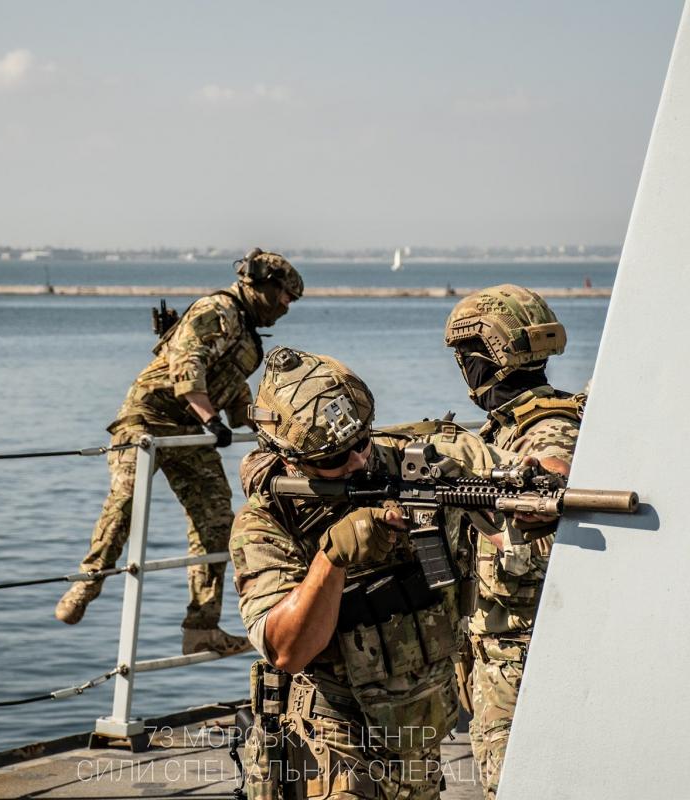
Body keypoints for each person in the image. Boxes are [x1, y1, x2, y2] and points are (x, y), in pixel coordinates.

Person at [231, 347, 535, 799]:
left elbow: (511, 472)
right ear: (290, 459)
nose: (357, 462)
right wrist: (332, 558)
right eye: (333, 459)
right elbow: (287, 650)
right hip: (334, 740)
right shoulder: (267, 521)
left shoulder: (412, 460)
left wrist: (534, 485)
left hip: (418, 732)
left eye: (362, 442)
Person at [55, 248, 304, 659]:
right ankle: (88, 582)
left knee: (217, 521)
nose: (286, 307)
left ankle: (201, 628)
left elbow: (237, 400)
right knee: (126, 501)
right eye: (284, 297)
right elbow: (188, 366)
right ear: (263, 286)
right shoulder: (217, 311)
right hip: (146, 419)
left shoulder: (246, 333)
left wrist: (279, 430)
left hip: (189, 430)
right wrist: (211, 420)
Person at [443, 284, 583, 799]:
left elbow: (553, 472)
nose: (465, 367)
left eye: (467, 355)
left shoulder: (547, 426)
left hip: (522, 655)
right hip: (498, 647)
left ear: (489, 356)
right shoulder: (504, 427)